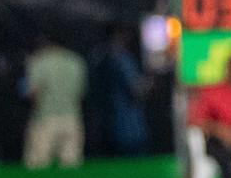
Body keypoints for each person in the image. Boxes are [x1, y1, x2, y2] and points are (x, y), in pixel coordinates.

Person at [23, 33, 87, 169]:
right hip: (72, 120)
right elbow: (81, 94)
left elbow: (35, 93)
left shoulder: (38, 61)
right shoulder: (76, 61)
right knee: (70, 170)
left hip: (44, 120)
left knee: (38, 170)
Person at [92, 24, 150, 157]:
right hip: (128, 128)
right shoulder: (122, 60)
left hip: (107, 126)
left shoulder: (98, 57)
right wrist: (150, 83)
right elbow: (135, 91)